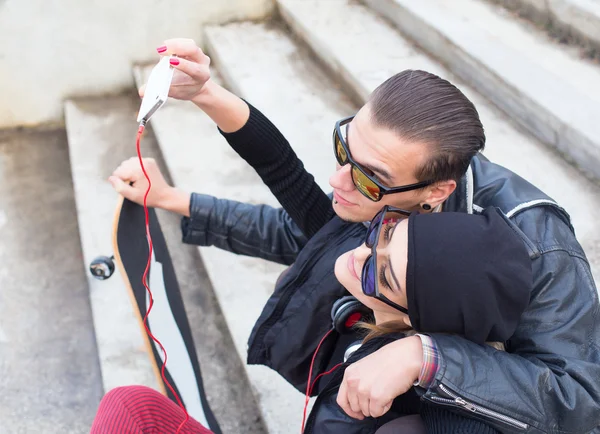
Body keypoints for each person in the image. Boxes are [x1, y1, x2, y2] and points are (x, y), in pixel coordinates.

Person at [109, 39, 600, 432]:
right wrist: (177, 193)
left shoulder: (537, 244)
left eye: (366, 175)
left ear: (436, 192)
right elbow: (310, 225)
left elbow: (579, 400)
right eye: (343, 145)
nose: (338, 180)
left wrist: (428, 358)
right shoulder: (387, 178)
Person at [91, 206, 533, 434]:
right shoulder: (370, 317)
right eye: (385, 234)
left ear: (417, 317)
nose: (360, 252)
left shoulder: (416, 419)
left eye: (381, 273)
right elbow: (291, 192)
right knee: (131, 406)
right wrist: (174, 199)